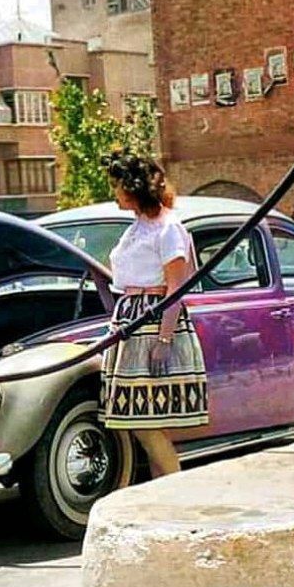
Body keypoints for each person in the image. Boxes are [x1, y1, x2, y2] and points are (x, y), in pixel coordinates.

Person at [99, 150, 208, 477]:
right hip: (131, 321)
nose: (114, 192)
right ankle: (162, 490)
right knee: (140, 422)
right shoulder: (137, 227)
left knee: (147, 423)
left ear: (133, 188)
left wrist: (165, 338)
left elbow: (176, 287)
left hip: (153, 322)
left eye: (117, 185)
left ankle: (174, 488)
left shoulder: (168, 227)